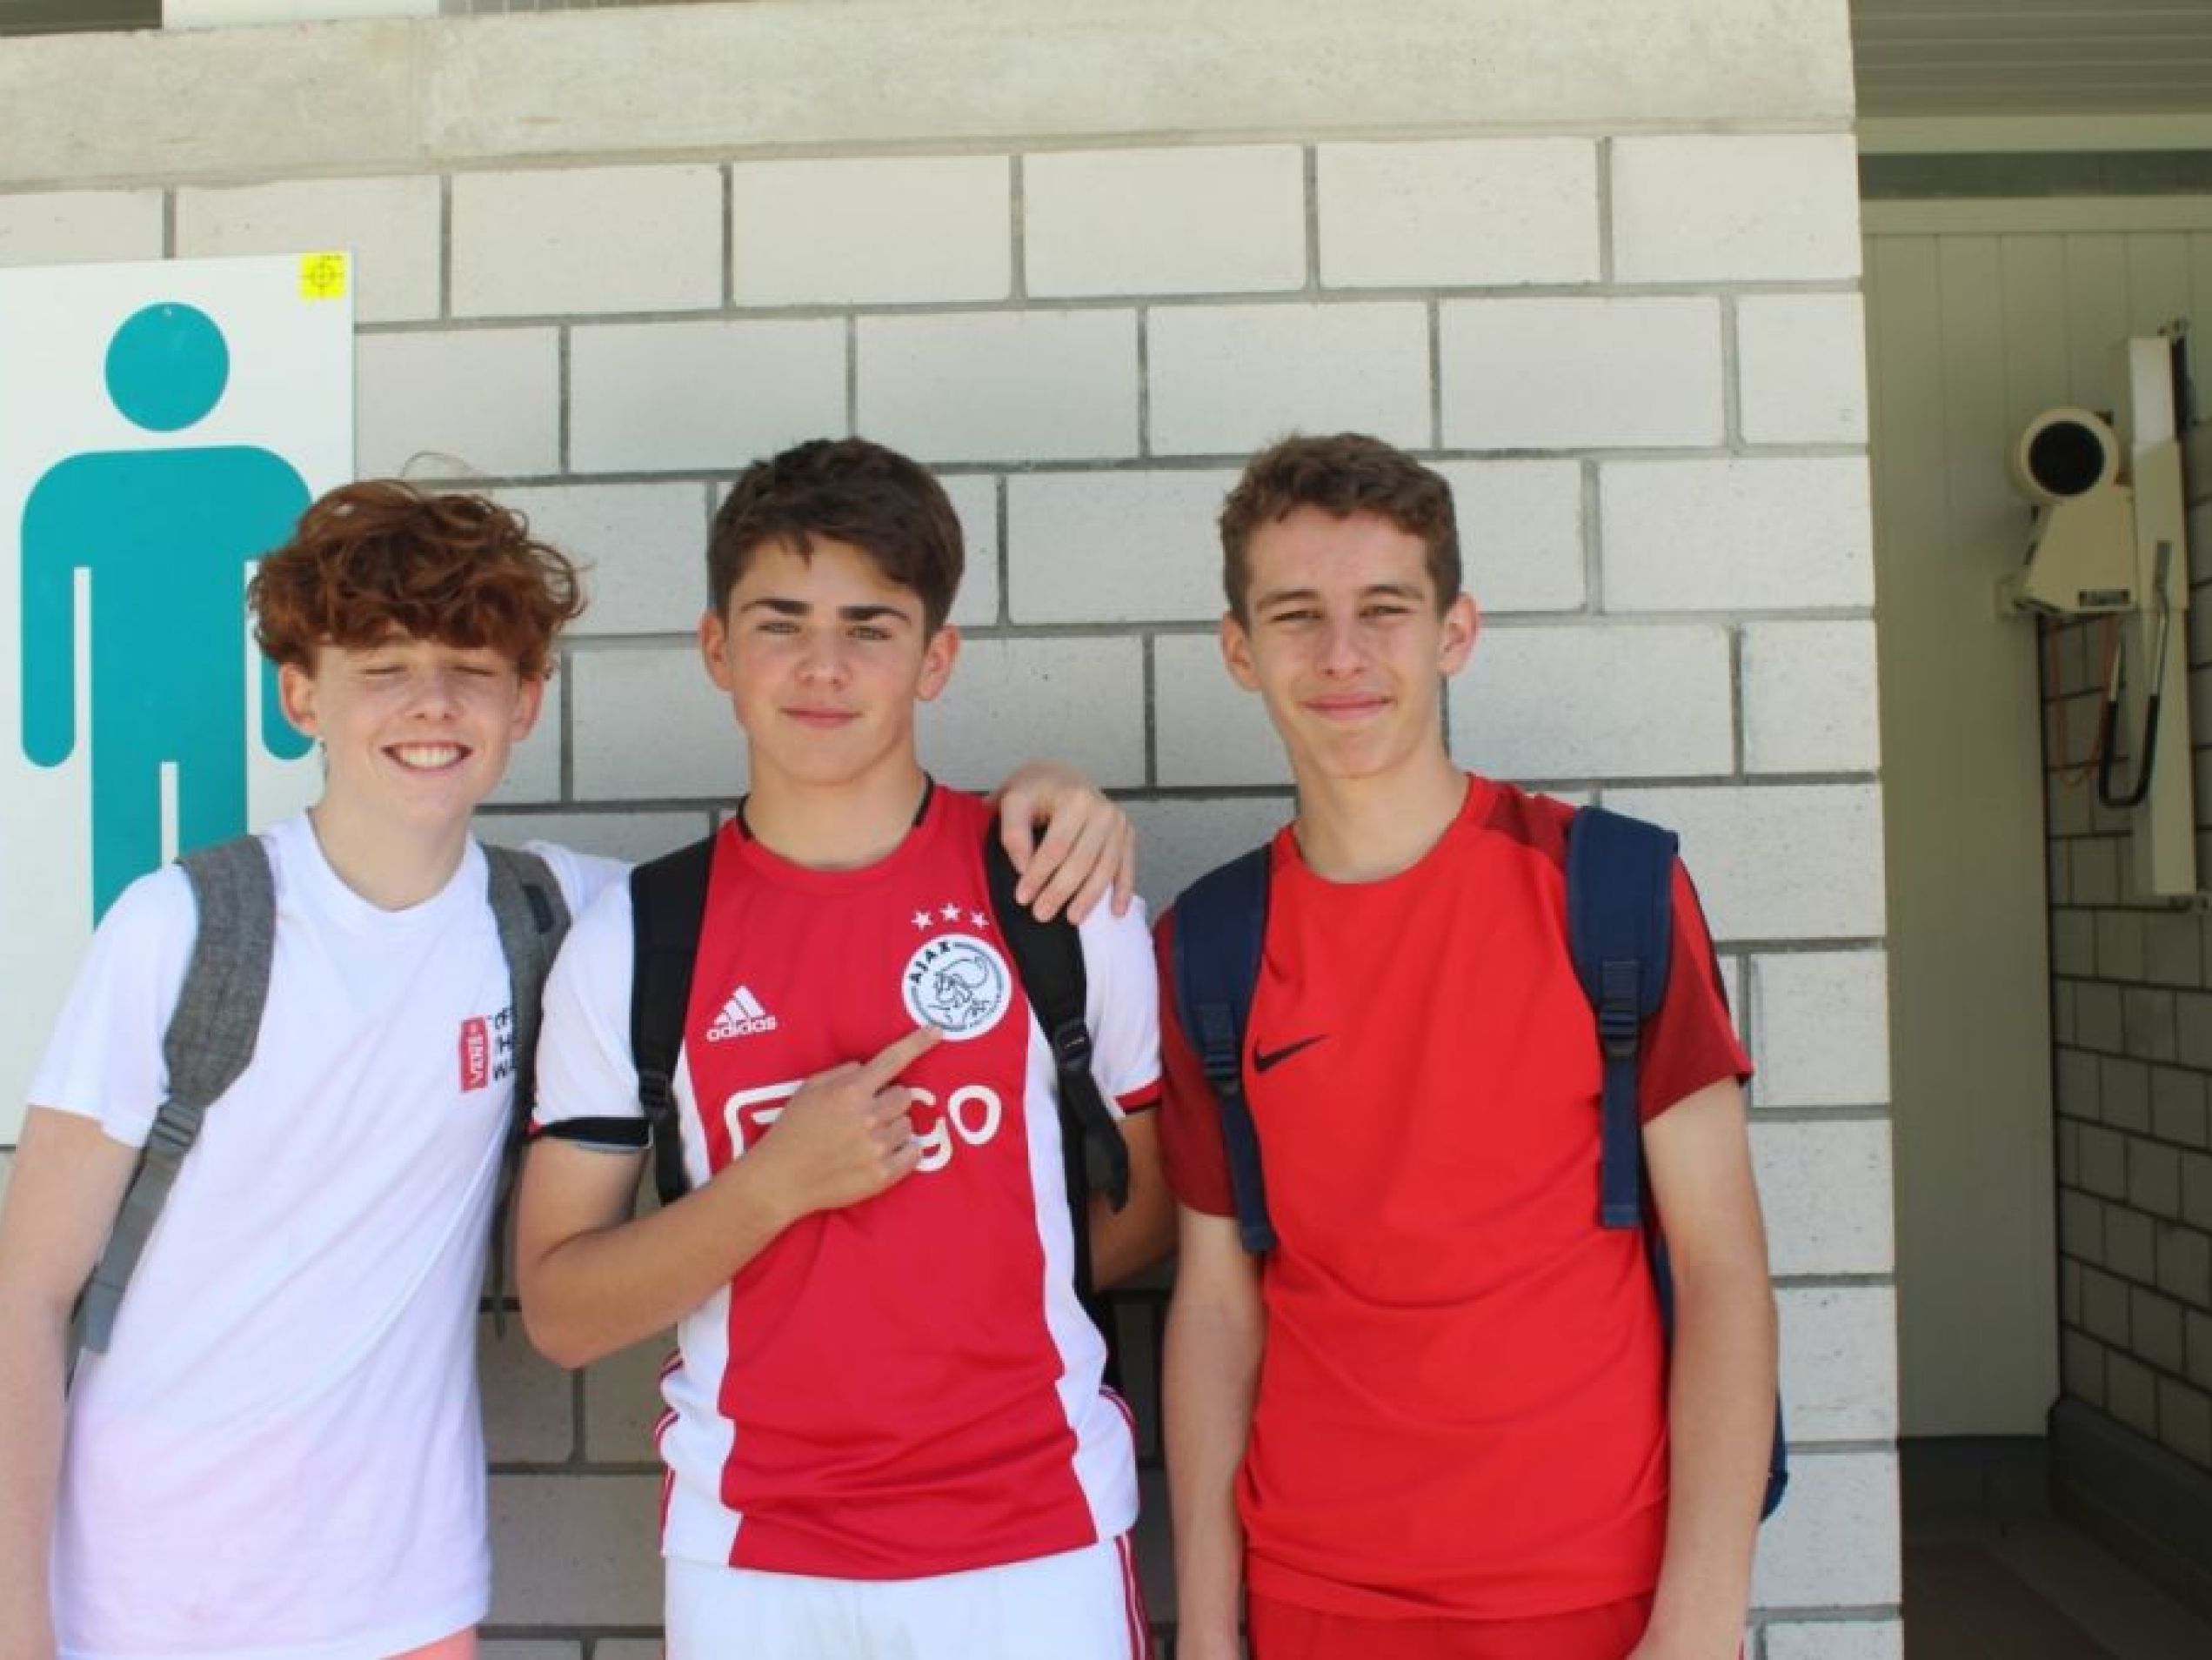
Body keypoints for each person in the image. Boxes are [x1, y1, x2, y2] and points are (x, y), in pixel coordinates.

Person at [0, 479, 1136, 1660]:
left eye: (472, 669)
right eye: (383, 668)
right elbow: (25, 1296)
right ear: (301, 695)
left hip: (402, 1585)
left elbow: (786, 889)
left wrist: (1054, 798)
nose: (431, 705)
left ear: (528, 699)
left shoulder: (559, 916)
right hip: (138, 1586)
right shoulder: (186, 929)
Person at [515, 437, 1173, 1660]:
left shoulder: (1056, 896)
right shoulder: (638, 939)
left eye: (871, 627)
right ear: (717, 648)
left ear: (937, 658)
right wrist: (773, 1188)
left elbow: (1157, 1201)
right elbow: (559, 1311)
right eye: (781, 623)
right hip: (754, 1560)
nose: (823, 667)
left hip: (1034, 1541)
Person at [1159, 434, 1776, 1660]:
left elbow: (1721, 1269)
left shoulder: (1606, 891)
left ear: (1456, 632)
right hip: (1317, 1592)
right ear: (1239, 649)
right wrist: (1212, 1629)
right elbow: (1218, 1305)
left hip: (1593, 1591)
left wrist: (1700, 1620)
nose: (1343, 656)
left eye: (1385, 610)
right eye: (1296, 615)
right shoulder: (1212, 943)